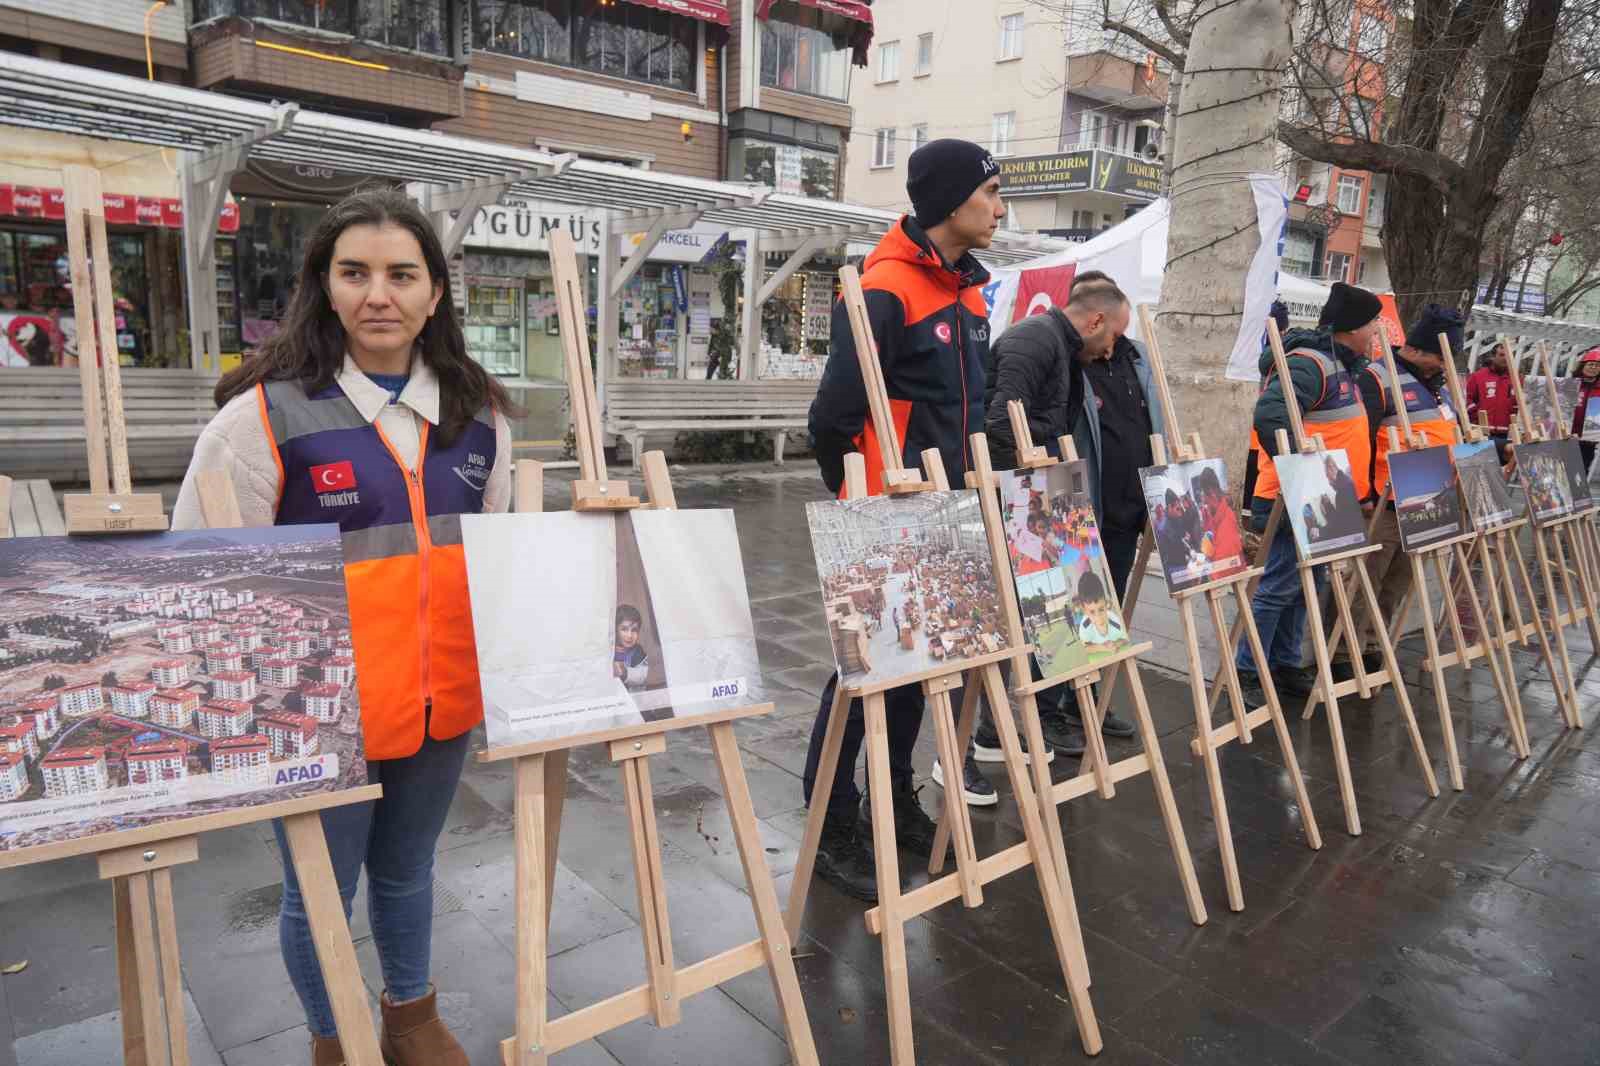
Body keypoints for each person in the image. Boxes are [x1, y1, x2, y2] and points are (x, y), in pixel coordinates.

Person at [173, 188, 515, 1066]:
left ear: (435, 293)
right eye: (354, 273)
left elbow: (498, 560)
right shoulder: (261, 419)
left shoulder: (479, 417)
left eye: (403, 275)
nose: (379, 295)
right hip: (318, 717)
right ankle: (335, 1036)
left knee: (407, 870)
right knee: (319, 891)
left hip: (441, 703)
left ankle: (410, 1014)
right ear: (324, 286)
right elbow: (198, 568)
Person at [805, 138, 1007, 892]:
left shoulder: (972, 293)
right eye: (988, 191)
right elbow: (830, 416)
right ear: (950, 201)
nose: (998, 206)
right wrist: (856, 496)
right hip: (885, 513)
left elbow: (971, 408)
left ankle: (894, 800)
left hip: (948, 511)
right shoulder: (883, 286)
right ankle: (832, 821)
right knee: (861, 677)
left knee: (926, 671)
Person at [984, 274, 1161, 751]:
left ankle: (1077, 701)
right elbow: (1003, 420)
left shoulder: (1080, 350)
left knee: (1087, 611)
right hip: (1042, 497)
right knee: (1048, 613)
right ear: (1096, 318)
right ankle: (1014, 720)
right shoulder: (1038, 341)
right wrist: (1060, 438)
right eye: (1110, 336)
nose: (1110, 349)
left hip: (1085, 502)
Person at [1235, 282, 1385, 708]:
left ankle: (1283, 663)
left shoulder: (1345, 365)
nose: (1377, 331)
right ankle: (1249, 668)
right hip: (1294, 491)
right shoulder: (1308, 363)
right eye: (1372, 322)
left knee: (1307, 585)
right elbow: (1272, 416)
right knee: (1279, 585)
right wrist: (1300, 461)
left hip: (1326, 495)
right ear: (1353, 327)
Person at [1466, 340, 1517, 462]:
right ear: (1493, 356)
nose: (1506, 359)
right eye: (1501, 355)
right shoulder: (1477, 376)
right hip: (1481, 432)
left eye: (1509, 355)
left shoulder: (1515, 379)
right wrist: (1477, 417)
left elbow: (1518, 404)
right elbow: (1467, 400)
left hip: (1505, 434)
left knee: (1500, 471)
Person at [1075, 571, 1127, 648]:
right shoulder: (1085, 626)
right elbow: (1085, 646)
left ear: (1106, 604)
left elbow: (1125, 639)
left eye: (1101, 609)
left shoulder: (1115, 621)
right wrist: (1102, 647)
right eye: (1092, 612)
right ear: (1085, 611)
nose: (1098, 617)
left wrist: (1116, 644)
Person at [1570, 348, 1600, 472]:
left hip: (1587, 441)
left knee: (1580, 473)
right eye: (1590, 364)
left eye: (1597, 365)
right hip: (1566, 437)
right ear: (1582, 366)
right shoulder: (1570, 385)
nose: (1593, 367)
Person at [613, 604, 650, 689]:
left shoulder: (637, 651)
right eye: (624, 629)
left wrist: (625, 673)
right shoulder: (611, 650)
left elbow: (642, 676)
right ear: (615, 630)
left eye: (634, 630)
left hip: (634, 696)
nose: (629, 635)